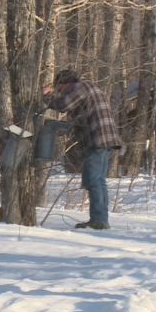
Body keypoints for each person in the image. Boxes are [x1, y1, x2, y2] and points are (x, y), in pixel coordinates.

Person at [42, 69, 122, 230]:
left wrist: (46, 96)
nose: (60, 93)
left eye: (60, 89)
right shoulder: (86, 88)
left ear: (67, 84)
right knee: (98, 180)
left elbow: (64, 104)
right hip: (104, 138)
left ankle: (99, 221)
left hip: (99, 138)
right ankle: (100, 219)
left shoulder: (81, 87)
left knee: (93, 180)